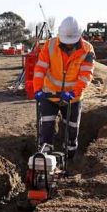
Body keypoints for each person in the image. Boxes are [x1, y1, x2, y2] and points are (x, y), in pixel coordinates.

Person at [32, 16, 95, 159]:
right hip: (49, 94)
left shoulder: (87, 50)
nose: (68, 45)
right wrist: (37, 89)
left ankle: (70, 156)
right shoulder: (50, 45)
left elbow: (86, 76)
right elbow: (40, 68)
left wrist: (73, 93)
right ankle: (45, 155)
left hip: (73, 98)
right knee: (46, 125)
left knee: (72, 127)